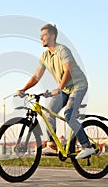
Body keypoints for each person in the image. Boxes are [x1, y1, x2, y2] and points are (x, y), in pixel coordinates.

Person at [16, 23, 94, 159]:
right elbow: (36, 76)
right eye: (41, 36)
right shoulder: (45, 56)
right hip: (65, 88)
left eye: (44, 35)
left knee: (69, 115)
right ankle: (52, 144)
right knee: (48, 114)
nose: (41, 38)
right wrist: (23, 89)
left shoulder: (62, 50)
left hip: (78, 86)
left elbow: (68, 69)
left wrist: (58, 88)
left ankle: (87, 145)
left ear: (53, 36)